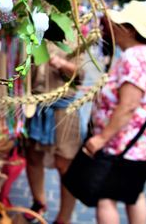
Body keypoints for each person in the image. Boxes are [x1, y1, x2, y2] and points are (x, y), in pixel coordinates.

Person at [84, 1, 146, 224]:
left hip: (127, 143)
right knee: (133, 193)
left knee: (106, 197)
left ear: (129, 29)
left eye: (117, 24)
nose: (111, 27)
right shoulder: (145, 54)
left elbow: (128, 105)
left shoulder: (133, 57)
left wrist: (101, 138)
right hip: (141, 142)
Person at [25, 44, 86, 224]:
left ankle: (63, 219)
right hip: (35, 106)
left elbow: (80, 75)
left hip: (64, 108)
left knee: (65, 164)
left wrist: (61, 64)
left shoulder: (73, 34)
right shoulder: (30, 27)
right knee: (33, 157)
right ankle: (39, 203)